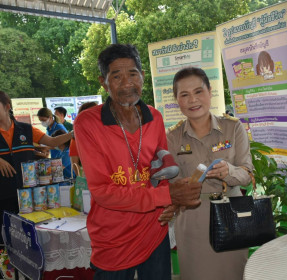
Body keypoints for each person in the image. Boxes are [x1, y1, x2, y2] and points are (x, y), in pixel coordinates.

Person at [74, 43, 202, 279]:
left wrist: (170, 204)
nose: (127, 83)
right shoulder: (88, 123)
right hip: (113, 239)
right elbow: (102, 191)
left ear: (142, 76)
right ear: (103, 81)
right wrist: (167, 196)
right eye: (116, 76)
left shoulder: (154, 117)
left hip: (155, 231)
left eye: (133, 74)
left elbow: (164, 170)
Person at [167, 67, 254, 280]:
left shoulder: (232, 128)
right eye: (184, 95)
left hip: (231, 217)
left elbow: (247, 175)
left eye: (198, 92)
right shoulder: (172, 137)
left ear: (210, 91)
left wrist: (229, 171)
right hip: (192, 220)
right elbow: (169, 186)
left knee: (234, 274)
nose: (193, 100)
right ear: (176, 99)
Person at [0, 91, 74, 245]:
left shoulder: (26, 129)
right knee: (5, 240)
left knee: (28, 239)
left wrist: (73, 133)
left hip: (28, 195)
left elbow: (52, 142)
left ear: (7, 107)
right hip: (3, 197)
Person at [69, 102, 97, 176]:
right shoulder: (76, 138)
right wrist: (83, 180)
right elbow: (75, 164)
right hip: (88, 179)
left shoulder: (102, 133)